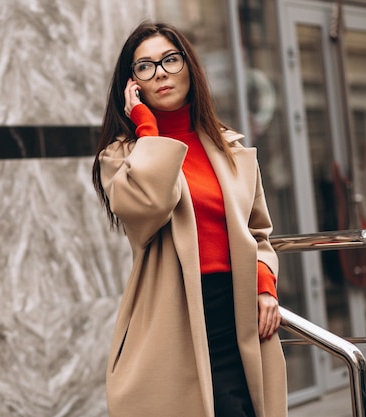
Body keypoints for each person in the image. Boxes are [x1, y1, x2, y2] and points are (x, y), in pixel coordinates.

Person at [92, 22, 287, 417]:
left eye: (170, 59)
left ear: (189, 68)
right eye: (145, 66)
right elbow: (150, 205)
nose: (160, 72)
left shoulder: (229, 147)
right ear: (133, 86)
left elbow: (258, 231)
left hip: (240, 312)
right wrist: (147, 130)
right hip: (176, 316)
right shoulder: (122, 157)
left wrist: (265, 286)